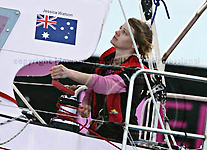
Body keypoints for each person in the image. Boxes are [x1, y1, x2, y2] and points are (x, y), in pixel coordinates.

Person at [50, 18, 153, 142]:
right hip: (99, 128)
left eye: (124, 32)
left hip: (120, 136)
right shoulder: (107, 57)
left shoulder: (135, 71)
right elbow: (94, 83)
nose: (117, 32)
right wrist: (87, 102)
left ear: (134, 45)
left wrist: (69, 73)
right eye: (120, 28)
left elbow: (105, 85)